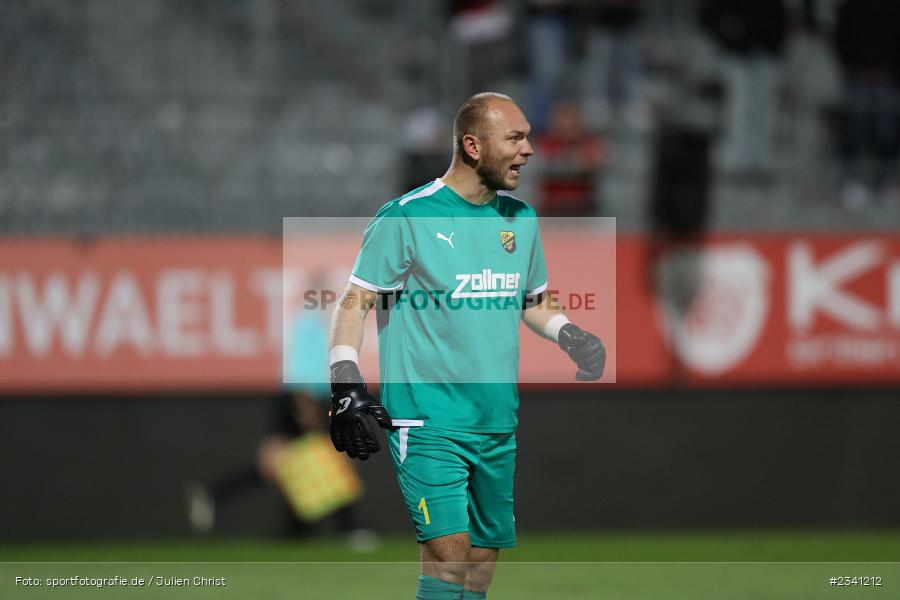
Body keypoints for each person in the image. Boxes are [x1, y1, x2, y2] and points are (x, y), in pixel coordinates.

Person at [327, 93, 606, 599]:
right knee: (448, 555)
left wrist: (569, 333)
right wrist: (345, 380)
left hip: (496, 419)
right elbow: (354, 301)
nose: (529, 150)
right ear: (473, 146)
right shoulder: (408, 216)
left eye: (528, 137)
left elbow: (532, 300)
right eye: (515, 138)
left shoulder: (520, 218)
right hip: (427, 419)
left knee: (479, 563)